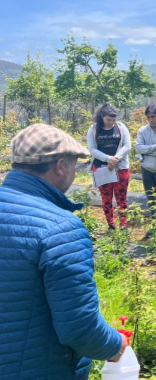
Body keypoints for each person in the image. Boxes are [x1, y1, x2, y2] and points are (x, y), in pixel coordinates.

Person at [0, 124, 127, 379]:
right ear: (61, 166)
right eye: (74, 164)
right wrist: (116, 345)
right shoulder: (60, 229)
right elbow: (80, 329)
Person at [87, 103, 132, 231]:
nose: (112, 122)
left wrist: (115, 159)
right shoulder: (93, 129)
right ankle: (111, 225)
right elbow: (92, 149)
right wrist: (108, 159)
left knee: (121, 197)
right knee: (106, 198)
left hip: (121, 167)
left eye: (113, 120)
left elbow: (127, 146)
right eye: (108, 120)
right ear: (102, 117)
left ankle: (123, 225)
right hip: (101, 168)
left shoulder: (121, 127)